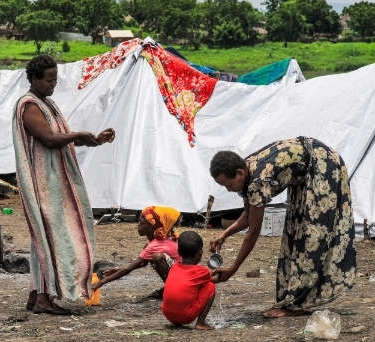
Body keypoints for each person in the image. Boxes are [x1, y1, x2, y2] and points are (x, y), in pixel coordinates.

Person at [209, 137, 356, 318]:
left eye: (229, 185)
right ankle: (290, 299)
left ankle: (297, 304)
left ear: (239, 172)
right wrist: (225, 234)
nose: (229, 190)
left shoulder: (257, 181)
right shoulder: (246, 172)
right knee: (294, 231)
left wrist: (232, 269)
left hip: (322, 165)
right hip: (305, 172)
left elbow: (253, 232)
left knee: (310, 235)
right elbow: (248, 215)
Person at [13, 55, 115, 315]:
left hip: (53, 181)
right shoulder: (29, 105)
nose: (53, 84)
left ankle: (36, 294)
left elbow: (61, 138)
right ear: (34, 79)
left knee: (44, 237)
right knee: (49, 236)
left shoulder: (47, 103)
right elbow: (48, 139)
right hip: (43, 182)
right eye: (49, 80)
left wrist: (94, 140)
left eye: (55, 79)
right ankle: (43, 298)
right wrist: (79, 135)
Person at [91, 206, 183, 299]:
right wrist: (116, 270)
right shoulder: (152, 243)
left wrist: (100, 283)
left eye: (142, 222)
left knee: (157, 257)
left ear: (152, 227)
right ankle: (169, 287)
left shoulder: (154, 245)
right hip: (178, 273)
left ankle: (173, 289)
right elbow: (142, 263)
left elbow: (128, 269)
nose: (138, 225)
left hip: (182, 277)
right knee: (153, 258)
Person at [162, 231, 217, 330]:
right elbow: (215, 279)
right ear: (200, 252)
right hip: (185, 316)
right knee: (210, 286)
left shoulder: (174, 266)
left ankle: (176, 322)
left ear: (179, 252)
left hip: (167, 313)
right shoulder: (202, 271)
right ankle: (201, 323)